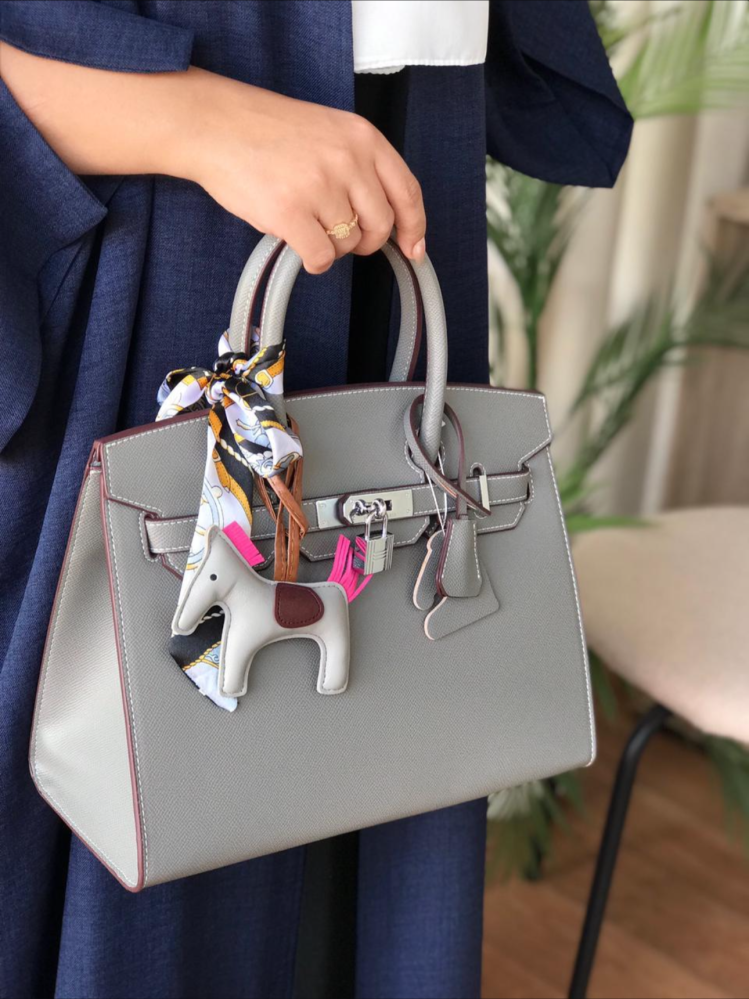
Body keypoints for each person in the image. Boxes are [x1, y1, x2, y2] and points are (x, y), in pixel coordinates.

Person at [0, 2, 632, 997]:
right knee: (136, 817)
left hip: (403, 146)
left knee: (386, 785)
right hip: (143, 209)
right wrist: (193, 122)